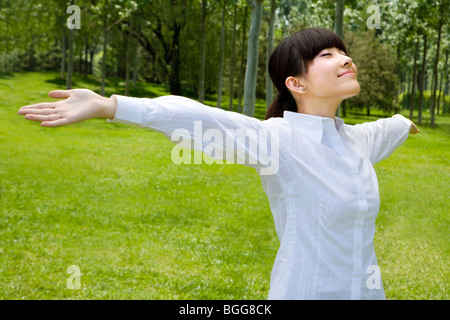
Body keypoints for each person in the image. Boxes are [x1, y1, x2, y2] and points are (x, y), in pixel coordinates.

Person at [17, 28, 419, 300]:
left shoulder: (356, 141)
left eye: (343, 51)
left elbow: (390, 127)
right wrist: (111, 105)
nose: (345, 58)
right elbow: (202, 118)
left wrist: (405, 123)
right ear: (296, 84)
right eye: (327, 55)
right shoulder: (278, 141)